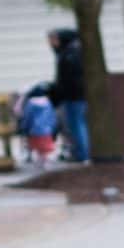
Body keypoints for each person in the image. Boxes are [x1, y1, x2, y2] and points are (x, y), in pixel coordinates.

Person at [48, 27, 89, 162]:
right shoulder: (66, 53)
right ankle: (79, 152)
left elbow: (69, 79)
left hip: (74, 97)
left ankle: (83, 154)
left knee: (77, 125)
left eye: (54, 40)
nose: (51, 43)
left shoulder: (70, 54)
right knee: (74, 125)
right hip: (72, 96)